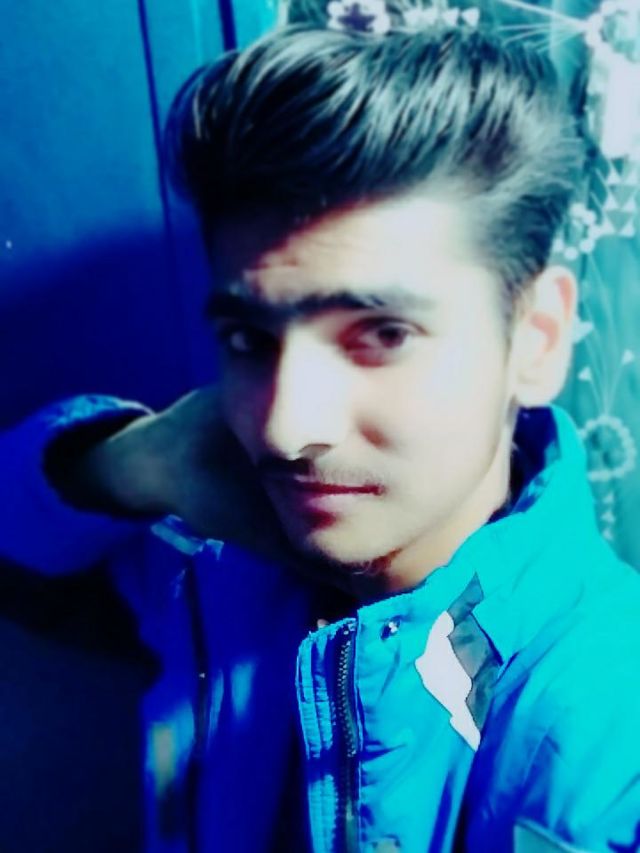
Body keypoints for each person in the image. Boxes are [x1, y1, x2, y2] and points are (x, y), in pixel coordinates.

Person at [2, 21, 639, 853]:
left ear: (537, 339)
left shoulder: (604, 717)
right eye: (248, 339)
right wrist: (136, 458)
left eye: (382, 334)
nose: (284, 428)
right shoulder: (211, 553)